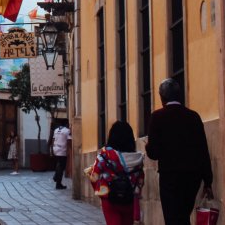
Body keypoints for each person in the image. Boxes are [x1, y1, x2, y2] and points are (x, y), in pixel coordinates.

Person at [145, 78, 214, 225]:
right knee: (183, 215)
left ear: (162, 97)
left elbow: (153, 153)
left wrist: (147, 146)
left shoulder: (157, 117)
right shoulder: (193, 117)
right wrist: (208, 181)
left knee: (172, 217)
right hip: (192, 176)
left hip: (170, 176)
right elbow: (203, 150)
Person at [86, 121, 145, 225]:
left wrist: (101, 192)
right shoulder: (138, 158)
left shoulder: (105, 155)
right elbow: (140, 181)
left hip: (110, 199)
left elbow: (94, 177)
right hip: (128, 199)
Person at [50, 119, 71, 189]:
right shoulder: (67, 131)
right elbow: (69, 142)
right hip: (62, 150)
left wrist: (52, 148)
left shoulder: (56, 130)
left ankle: (56, 178)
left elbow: (53, 140)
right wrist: (69, 150)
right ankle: (58, 182)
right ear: (66, 124)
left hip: (56, 148)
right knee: (61, 166)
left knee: (59, 164)